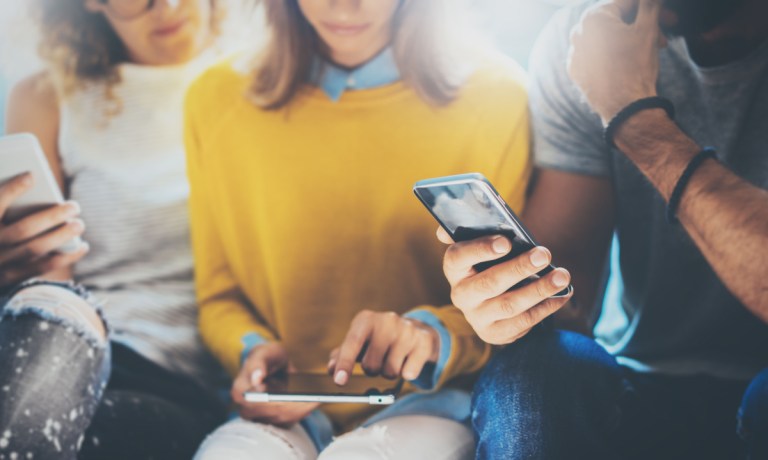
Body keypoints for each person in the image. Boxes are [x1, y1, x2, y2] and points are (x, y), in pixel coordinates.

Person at [185, 0, 535, 458]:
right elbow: (218, 295)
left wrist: (428, 336)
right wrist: (251, 349)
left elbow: (513, 296)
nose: (343, 6)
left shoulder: (496, 96)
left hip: (428, 405)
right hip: (284, 410)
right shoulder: (214, 99)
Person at [436, 0, 768, 458]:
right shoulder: (589, 35)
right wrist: (513, 299)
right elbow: (573, 290)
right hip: (645, 374)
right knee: (532, 376)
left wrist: (632, 114)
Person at [0, 0, 230, 458]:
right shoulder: (46, 98)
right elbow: (47, 279)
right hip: (64, 334)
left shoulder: (259, 86)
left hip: (178, 381)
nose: (165, 6)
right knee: (51, 312)